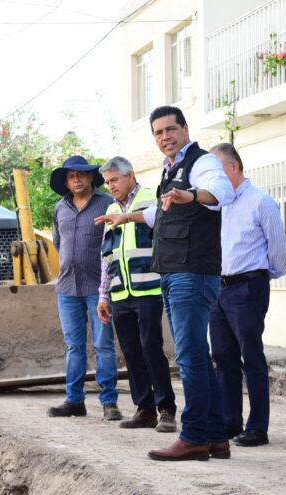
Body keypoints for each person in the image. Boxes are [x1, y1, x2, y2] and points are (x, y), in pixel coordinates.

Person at [95, 106, 234, 461]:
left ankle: (194, 436)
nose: (164, 137)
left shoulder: (202, 163)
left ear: (185, 128)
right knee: (197, 356)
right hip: (172, 272)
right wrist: (126, 216)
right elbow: (160, 211)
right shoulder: (170, 169)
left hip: (192, 270)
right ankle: (216, 436)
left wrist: (192, 195)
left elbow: (221, 193)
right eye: (158, 132)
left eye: (170, 129)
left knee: (188, 356)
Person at [208, 143, 286, 447]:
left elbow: (277, 246)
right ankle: (230, 422)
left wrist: (262, 278)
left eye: (217, 172)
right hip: (219, 288)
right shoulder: (218, 205)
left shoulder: (260, 201)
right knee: (223, 357)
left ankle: (258, 427)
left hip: (248, 287)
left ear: (233, 168)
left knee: (251, 356)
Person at [96, 156, 176, 432]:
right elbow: (106, 256)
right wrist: (103, 296)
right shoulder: (110, 208)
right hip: (120, 294)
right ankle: (144, 409)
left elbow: (164, 240)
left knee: (151, 349)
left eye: (114, 180)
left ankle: (166, 410)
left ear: (129, 175)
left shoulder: (151, 198)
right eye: (107, 182)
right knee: (130, 352)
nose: (111, 186)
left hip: (149, 289)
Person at [47, 155, 122, 421]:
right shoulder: (61, 208)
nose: (76, 179)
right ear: (66, 182)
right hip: (67, 288)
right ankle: (74, 400)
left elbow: (115, 244)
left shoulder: (107, 204)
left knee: (103, 345)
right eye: (70, 176)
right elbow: (59, 243)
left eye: (80, 174)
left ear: (91, 177)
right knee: (74, 347)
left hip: (97, 288)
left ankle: (109, 402)